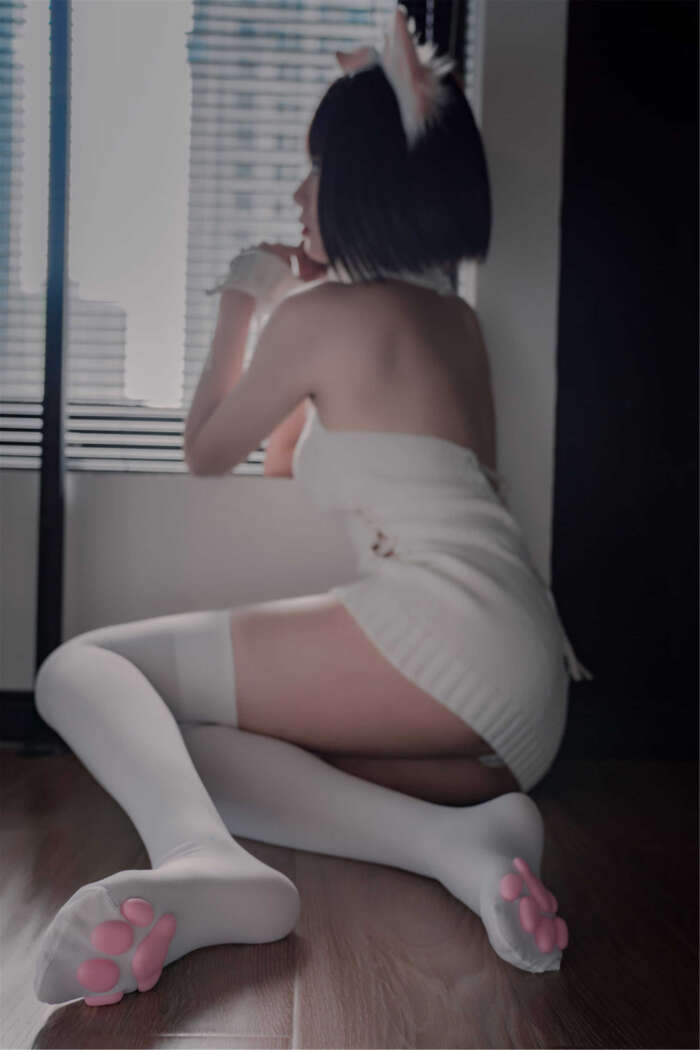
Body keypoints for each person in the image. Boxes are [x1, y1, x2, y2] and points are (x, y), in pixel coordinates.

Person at [31, 5, 593, 1008]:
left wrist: (242, 299)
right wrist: (293, 316)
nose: (298, 194)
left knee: (80, 668)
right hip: (526, 683)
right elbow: (288, 460)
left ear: (366, 185)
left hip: (444, 635)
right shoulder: (454, 322)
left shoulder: (327, 318)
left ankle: (203, 858)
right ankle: (464, 843)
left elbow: (209, 451)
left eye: (316, 169)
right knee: (194, 745)